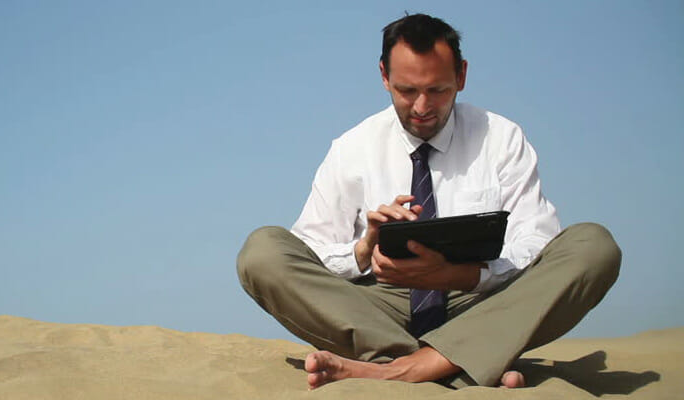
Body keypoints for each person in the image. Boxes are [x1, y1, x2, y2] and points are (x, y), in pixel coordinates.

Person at [236, 13, 621, 390]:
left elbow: (536, 245)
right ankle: (461, 361)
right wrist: (364, 249)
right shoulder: (351, 148)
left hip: (478, 302)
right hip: (377, 307)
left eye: (438, 90)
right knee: (262, 253)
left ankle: (404, 366)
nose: (422, 107)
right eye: (407, 91)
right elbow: (310, 253)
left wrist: (457, 275)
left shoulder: (501, 138)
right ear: (384, 77)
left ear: (462, 76)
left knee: (594, 247)